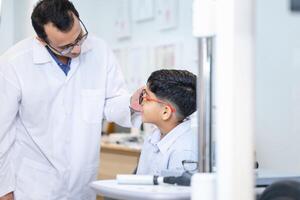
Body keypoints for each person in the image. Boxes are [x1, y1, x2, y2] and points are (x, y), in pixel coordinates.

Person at [0, 0, 141, 199]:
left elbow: (112, 102)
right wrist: (3, 189)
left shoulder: (100, 51)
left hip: (82, 184)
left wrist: (131, 104)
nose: (76, 50)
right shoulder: (14, 63)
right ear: (42, 40)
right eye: (65, 47)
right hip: (34, 186)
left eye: (79, 38)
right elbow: (2, 133)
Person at [136, 69, 198, 176]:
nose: (141, 102)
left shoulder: (184, 151)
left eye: (146, 97)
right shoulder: (154, 137)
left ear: (165, 112)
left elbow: (175, 191)